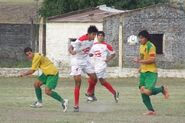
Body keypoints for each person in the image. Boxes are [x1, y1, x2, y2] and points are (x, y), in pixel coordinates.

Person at [20, 47, 68, 112]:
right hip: (46, 73)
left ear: (32, 52)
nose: (29, 55)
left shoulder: (36, 57)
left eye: (30, 53)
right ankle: (39, 103)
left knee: (47, 91)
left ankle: (63, 101)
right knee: (36, 84)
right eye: (28, 55)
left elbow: (32, 71)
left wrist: (23, 74)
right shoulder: (36, 55)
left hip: (52, 73)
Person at [133, 30, 169, 115]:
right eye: (139, 38)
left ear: (146, 38)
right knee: (143, 91)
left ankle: (161, 89)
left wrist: (139, 61)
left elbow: (152, 60)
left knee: (147, 92)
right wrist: (140, 67)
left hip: (151, 72)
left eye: (141, 38)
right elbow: (142, 58)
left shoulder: (151, 46)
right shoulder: (141, 46)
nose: (140, 40)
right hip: (143, 72)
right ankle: (151, 110)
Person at [68, 25, 98, 112]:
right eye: (94, 35)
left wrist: (90, 54)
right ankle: (76, 105)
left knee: (94, 78)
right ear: (89, 34)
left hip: (86, 60)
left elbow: (87, 50)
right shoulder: (81, 39)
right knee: (78, 83)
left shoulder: (91, 40)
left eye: (95, 35)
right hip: (77, 62)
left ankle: (89, 93)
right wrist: (71, 51)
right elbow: (71, 46)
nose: (94, 37)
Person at [89, 31, 119, 103]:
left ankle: (90, 94)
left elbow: (113, 54)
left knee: (93, 78)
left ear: (103, 37)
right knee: (102, 81)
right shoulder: (94, 45)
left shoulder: (106, 45)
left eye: (101, 35)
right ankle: (115, 93)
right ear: (97, 37)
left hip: (101, 65)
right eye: (99, 35)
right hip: (94, 64)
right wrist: (89, 55)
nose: (100, 37)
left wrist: (108, 59)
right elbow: (91, 54)